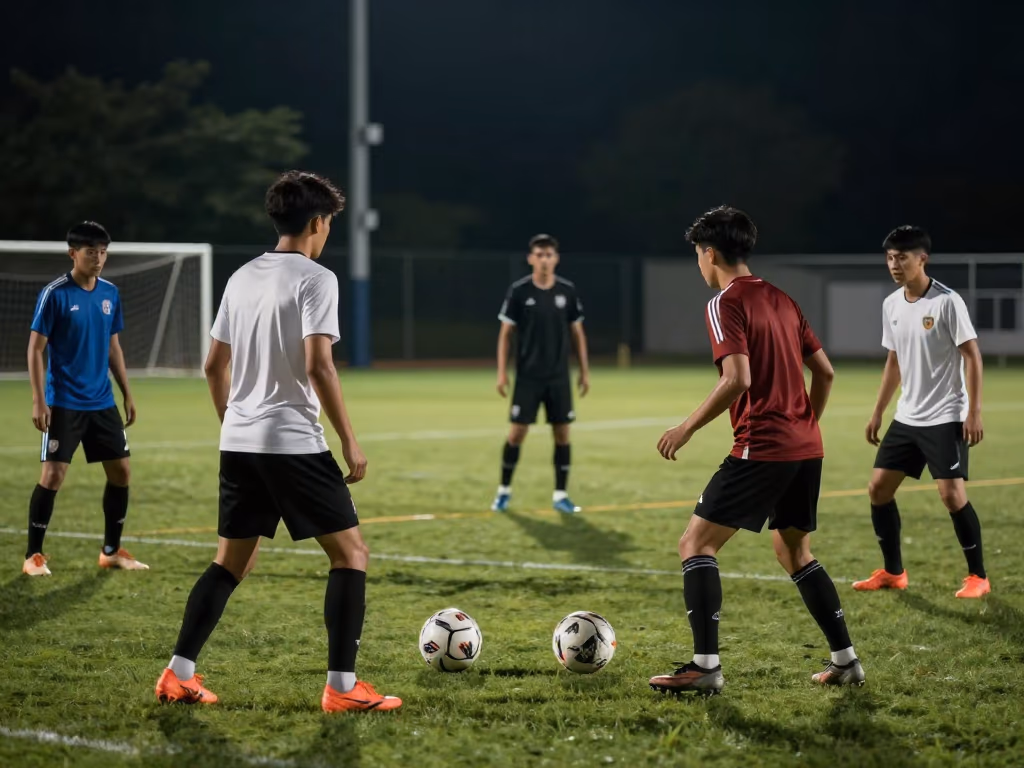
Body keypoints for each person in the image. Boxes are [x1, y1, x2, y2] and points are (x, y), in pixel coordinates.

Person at [154, 171, 401, 713]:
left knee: (231, 563)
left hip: (240, 441)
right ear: (318, 222)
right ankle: (341, 688)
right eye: (330, 222)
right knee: (351, 554)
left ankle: (178, 675)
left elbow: (213, 365)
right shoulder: (317, 279)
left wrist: (234, 421)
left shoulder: (242, 276)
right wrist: (350, 442)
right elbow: (319, 365)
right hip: (290, 440)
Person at [648, 206, 863, 696]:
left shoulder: (725, 303)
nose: (698, 266)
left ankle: (705, 667)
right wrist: (804, 424)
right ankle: (845, 662)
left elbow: (737, 378)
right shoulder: (782, 298)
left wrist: (686, 427)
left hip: (763, 446)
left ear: (709, 253)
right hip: (806, 446)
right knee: (793, 549)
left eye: (697, 256)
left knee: (695, 544)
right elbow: (825, 372)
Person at [853, 226, 989, 599]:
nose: (895, 265)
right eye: (890, 258)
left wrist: (973, 412)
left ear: (922, 259)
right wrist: (879, 411)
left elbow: (973, 356)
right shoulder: (892, 304)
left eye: (903, 258)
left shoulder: (947, 302)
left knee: (951, 495)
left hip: (946, 414)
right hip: (908, 415)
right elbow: (894, 361)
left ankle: (978, 576)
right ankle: (894, 572)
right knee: (878, 489)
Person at [23, 221, 145, 577]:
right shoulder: (55, 294)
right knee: (53, 475)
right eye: (91, 251)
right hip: (63, 401)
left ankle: (111, 551)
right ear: (73, 253)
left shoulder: (110, 293)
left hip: (102, 401)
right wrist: (38, 400)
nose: (99, 258)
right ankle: (33, 556)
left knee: (121, 471)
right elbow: (35, 349)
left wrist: (127, 393)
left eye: (104, 251)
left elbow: (113, 347)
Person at [492, 234, 590, 514]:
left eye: (549, 255)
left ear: (556, 259)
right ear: (531, 258)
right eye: (540, 255)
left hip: (559, 377)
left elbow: (577, 333)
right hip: (527, 377)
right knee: (516, 433)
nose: (545, 259)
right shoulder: (520, 291)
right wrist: (502, 372)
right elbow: (505, 334)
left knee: (562, 433)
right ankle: (503, 491)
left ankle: (561, 495)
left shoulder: (567, 291)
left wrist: (584, 371)